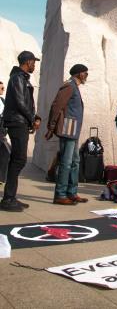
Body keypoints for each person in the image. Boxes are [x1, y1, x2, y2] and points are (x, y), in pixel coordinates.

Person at [0, 51, 41, 211]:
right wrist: (32, 118)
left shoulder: (21, 78)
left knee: (17, 159)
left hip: (20, 121)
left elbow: (25, 103)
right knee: (19, 160)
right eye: (33, 62)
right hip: (17, 122)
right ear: (27, 62)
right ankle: (8, 199)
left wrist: (33, 117)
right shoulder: (17, 78)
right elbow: (20, 102)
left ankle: (11, 196)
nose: (34, 65)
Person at [45, 64, 89, 205]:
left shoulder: (75, 87)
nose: (86, 76)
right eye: (85, 73)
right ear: (79, 74)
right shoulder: (69, 86)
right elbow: (56, 106)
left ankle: (72, 192)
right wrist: (51, 127)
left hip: (73, 130)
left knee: (75, 162)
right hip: (68, 129)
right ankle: (60, 194)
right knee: (66, 162)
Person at [0, 81, 10, 184]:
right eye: (2, 88)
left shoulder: (2, 100)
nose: (3, 90)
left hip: (2, 132)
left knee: (6, 153)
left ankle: (1, 178)